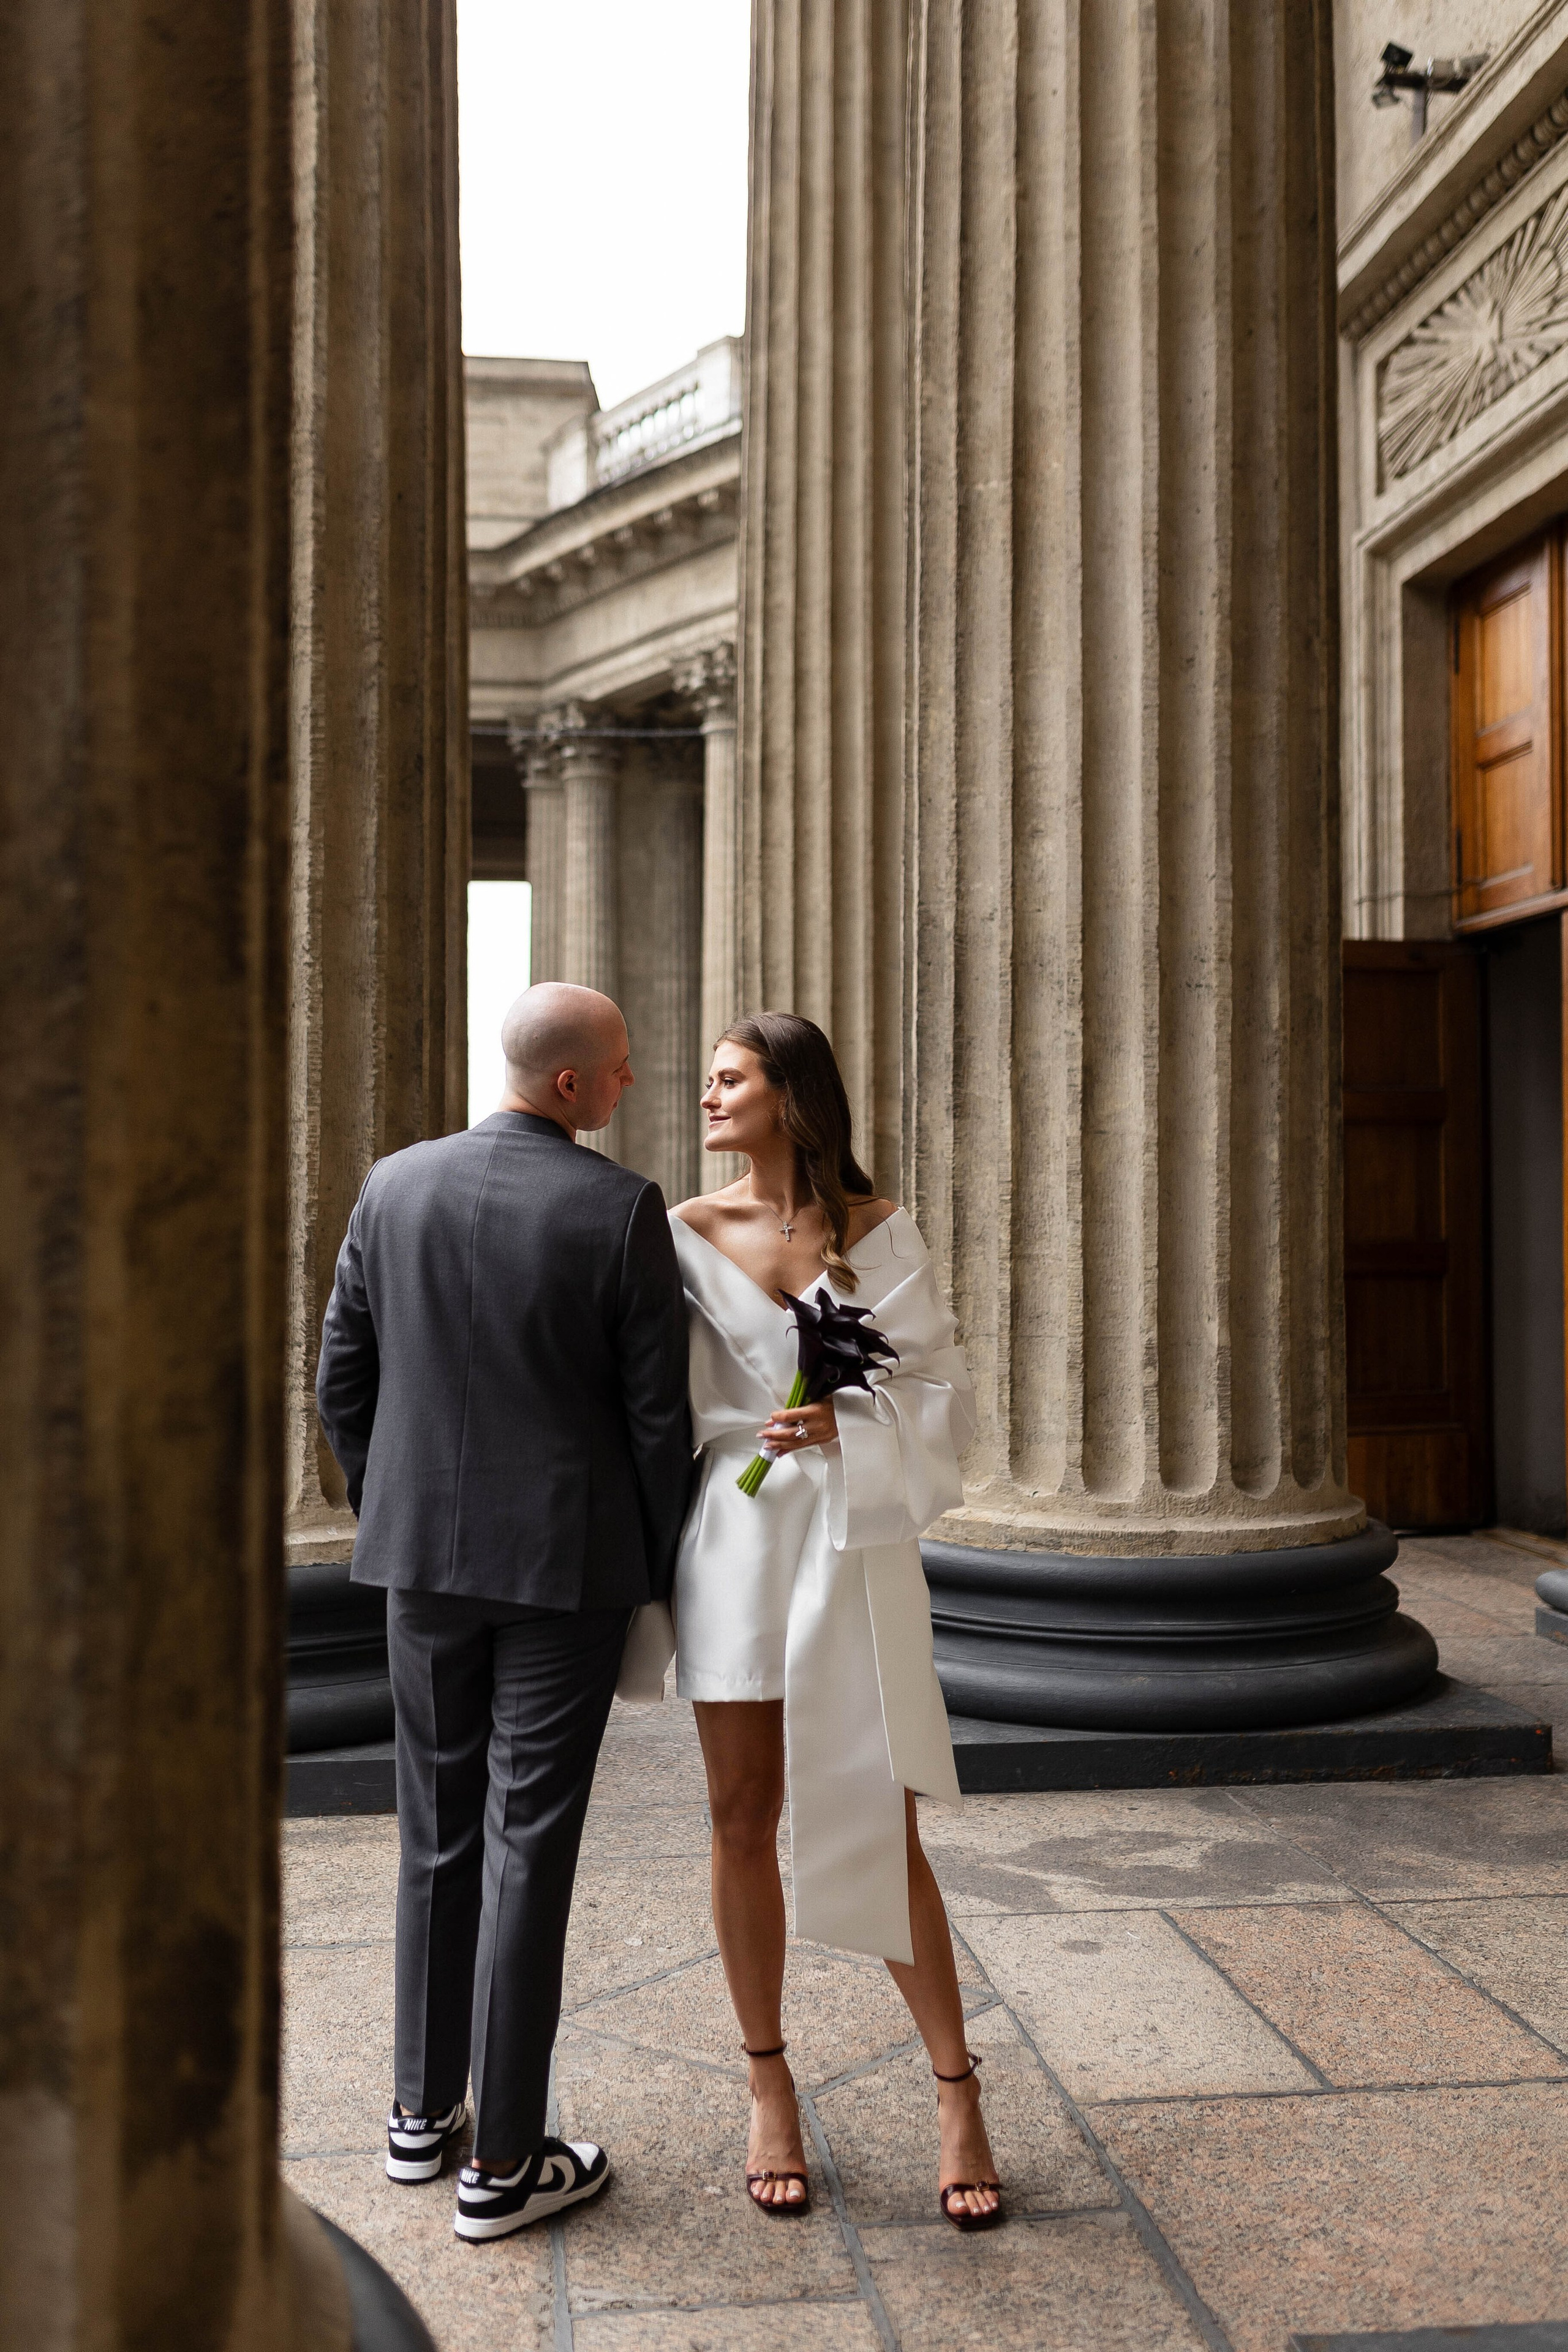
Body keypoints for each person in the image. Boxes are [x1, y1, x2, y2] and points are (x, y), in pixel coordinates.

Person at [316, 982, 692, 2242]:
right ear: (573, 1086)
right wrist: (655, 1566)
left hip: (420, 1562)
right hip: (565, 1572)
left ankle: (421, 2119)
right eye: (625, 1068)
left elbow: (342, 1379)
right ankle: (509, 2166)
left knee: (435, 1828)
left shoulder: (392, 1185)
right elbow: (655, 1423)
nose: (634, 1085)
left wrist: (401, 1511)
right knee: (529, 1845)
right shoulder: (622, 1209)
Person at [669, 1012, 1001, 2230]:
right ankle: (768, 2083)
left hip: (851, 1544)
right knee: (738, 1812)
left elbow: (944, 1401)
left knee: (879, 1808)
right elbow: (652, 1402)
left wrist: (846, 1425)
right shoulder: (681, 1233)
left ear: (789, 1093)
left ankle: (956, 2090)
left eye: (728, 1078)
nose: (706, 1096)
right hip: (734, 1541)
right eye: (707, 1081)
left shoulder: (879, 1233)